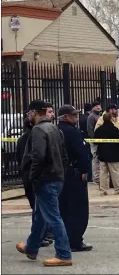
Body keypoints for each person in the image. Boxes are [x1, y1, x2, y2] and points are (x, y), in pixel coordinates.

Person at [16, 100, 72, 267]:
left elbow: (38, 157)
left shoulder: (38, 130)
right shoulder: (55, 128)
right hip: (56, 177)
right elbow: (64, 156)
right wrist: (62, 173)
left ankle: (63, 254)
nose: (28, 116)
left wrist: (33, 176)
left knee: (53, 217)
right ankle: (31, 248)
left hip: (45, 179)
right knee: (40, 215)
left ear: (34, 113)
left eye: (29, 113)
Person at [58, 104, 93, 252]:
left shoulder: (56, 130)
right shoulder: (71, 132)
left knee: (64, 208)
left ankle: (65, 238)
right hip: (75, 173)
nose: (77, 118)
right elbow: (81, 152)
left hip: (62, 174)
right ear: (66, 117)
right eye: (74, 115)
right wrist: (85, 170)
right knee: (78, 209)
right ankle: (75, 240)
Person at [94, 113, 119, 195]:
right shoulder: (114, 129)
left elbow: (95, 141)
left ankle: (103, 189)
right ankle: (117, 189)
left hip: (102, 154)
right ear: (111, 118)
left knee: (103, 172)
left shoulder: (99, 129)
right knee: (114, 172)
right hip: (113, 154)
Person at [87, 101, 101, 185]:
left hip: (100, 141)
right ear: (92, 107)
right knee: (95, 159)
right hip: (95, 141)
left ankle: (98, 177)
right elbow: (90, 129)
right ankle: (96, 178)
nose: (98, 107)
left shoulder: (99, 116)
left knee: (98, 159)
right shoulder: (91, 117)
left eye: (99, 105)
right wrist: (94, 140)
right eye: (96, 106)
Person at [79, 103, 92, 182]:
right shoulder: (88, 118)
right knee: (90, 159)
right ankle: (89, 176)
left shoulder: (82, 117)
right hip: (89, 140)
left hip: (84, 139)